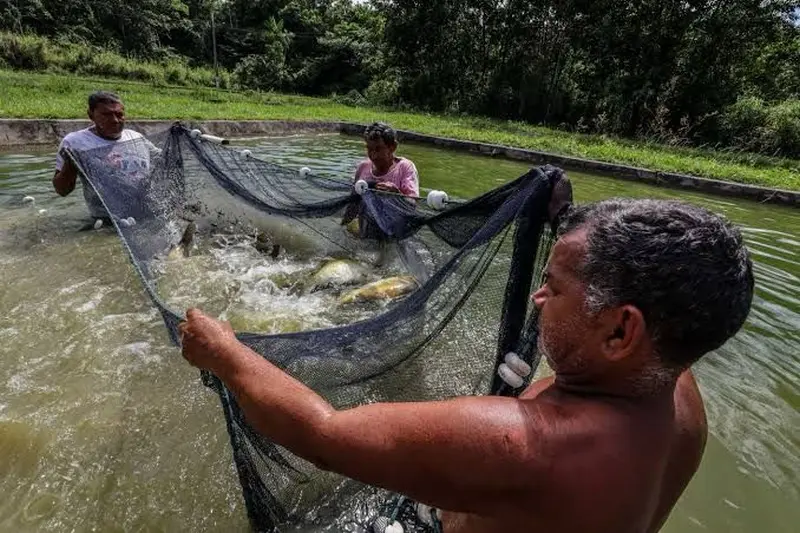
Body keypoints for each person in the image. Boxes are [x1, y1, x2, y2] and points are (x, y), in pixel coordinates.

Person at [179, 193, 754, 533]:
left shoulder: (535, 449)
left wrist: (225, 352)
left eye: (554, 287)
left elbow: (321, 434)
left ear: (622, 330)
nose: (538, 298)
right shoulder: (676, 388)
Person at [52, 91, 160, 223]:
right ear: (91, 115)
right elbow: (62, 191)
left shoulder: (136, 137)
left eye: (119, 114)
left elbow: (164, 161)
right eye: (106, 115)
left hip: (148, 213)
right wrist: (70, 163)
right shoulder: (76, 142)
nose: (115, 120)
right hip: (108, 221)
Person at [354, 122, 419, 198]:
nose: (373, 155)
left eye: (378, 149)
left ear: (392, 147)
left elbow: (413, 202)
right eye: (369, 149)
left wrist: (397, 194)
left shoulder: (404, 168)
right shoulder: (363, 167)